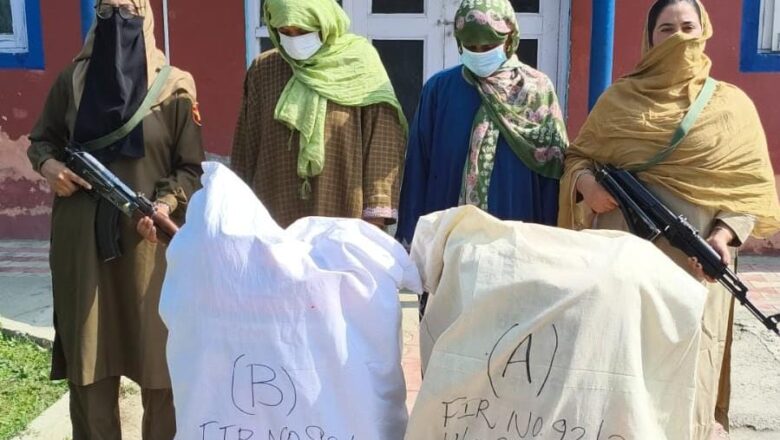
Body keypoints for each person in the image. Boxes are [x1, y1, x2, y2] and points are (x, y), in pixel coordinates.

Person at [558, 1, 780, 438]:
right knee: (620, 368)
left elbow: (748, 192)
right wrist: (586, 184)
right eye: (666, 29)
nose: (678, 38)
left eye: (687, 27)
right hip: (620, 270)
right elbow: (577, 157)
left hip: (695, 272)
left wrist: (724, 234)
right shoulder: (618, 100)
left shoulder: (731, 106)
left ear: (705, 31)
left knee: (686, 375)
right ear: (649, 38)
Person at [27, 0, 205, 437]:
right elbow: (41, 141)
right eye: (107, 12)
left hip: (149, 244)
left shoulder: (175, 87)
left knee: (160, 359)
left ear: (145, 17)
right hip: (82, 244)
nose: (117, 21)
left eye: (127, 11)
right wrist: (50, 168)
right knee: (90, 360)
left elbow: (189, 167)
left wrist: (164, 205)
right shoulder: (72, 81)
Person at [395, 0, 567, 247]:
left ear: (510, 40)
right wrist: (412, 238)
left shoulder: (536, 91)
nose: (479, 53)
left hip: (518, 227)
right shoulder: (440, 90)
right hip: (448, 230)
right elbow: (418, 165)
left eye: (488, 46)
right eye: (471, 47)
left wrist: (552, 238)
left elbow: (553, 169)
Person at [231, 0, 407, 229]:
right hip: (273, 219)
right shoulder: (264, 69)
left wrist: (373, 223)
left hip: (345, 219)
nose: (294, 39)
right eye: (285, 32)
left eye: (303, 31)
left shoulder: (361, 65)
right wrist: (237, 206)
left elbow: (382, 145)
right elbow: (247, 146)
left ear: (323, 23)